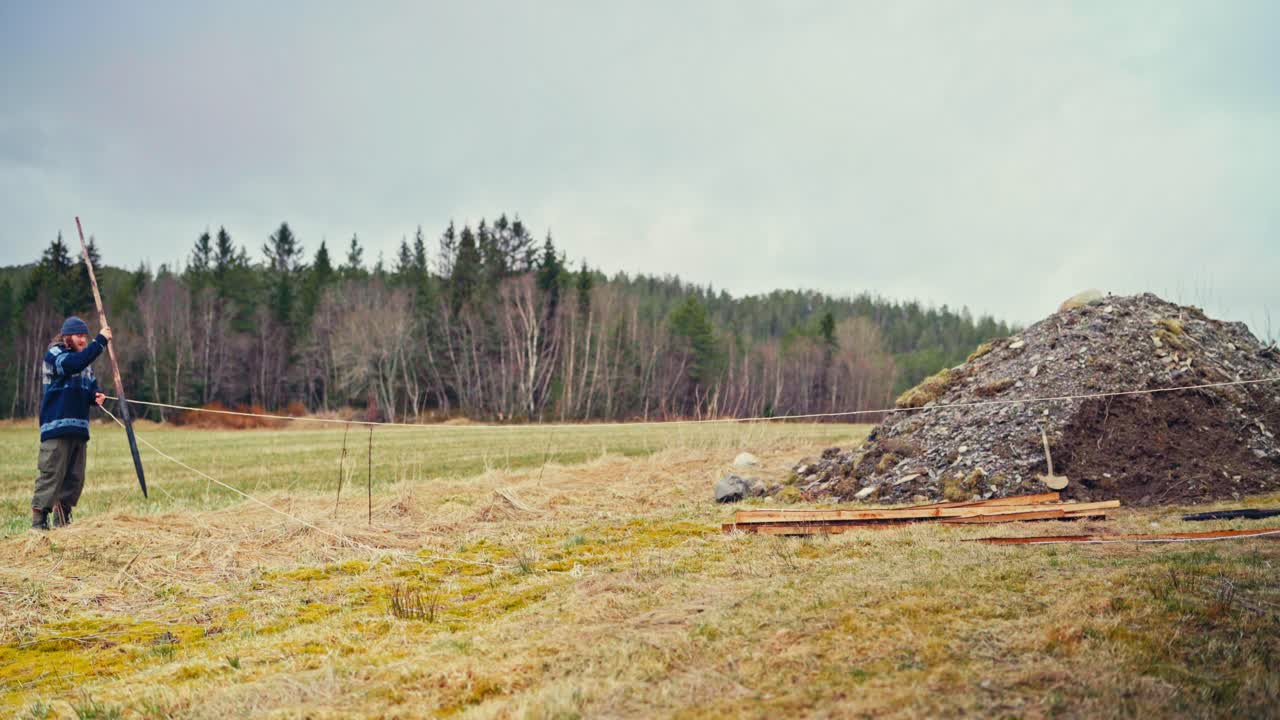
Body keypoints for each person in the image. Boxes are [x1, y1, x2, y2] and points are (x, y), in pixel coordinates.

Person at [32, 316, 112, 531]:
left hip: (79, 429)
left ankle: (63, 520)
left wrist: (95, 396)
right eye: (79, 336)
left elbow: (90, 387)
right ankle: (39, 522)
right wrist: (101, 341)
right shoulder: (55, 355)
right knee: (51, 475)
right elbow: (73, 365)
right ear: (67, 337)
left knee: (74, 479)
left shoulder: (84, 362)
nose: (83, 340)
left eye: (86, 337)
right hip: (56, 429)